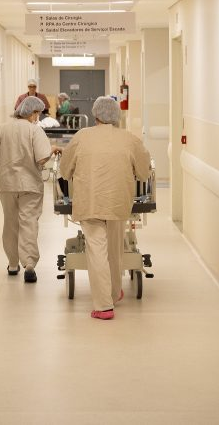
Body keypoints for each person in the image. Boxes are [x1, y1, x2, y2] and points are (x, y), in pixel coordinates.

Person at [59, 96, 151, 319]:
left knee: (97, 250)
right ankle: (113, 292)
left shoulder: (82, 137)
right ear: (116, 115)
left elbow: (64, 171)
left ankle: (103, 306)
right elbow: (144, 172)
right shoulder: (130, 139)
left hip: (90, 201)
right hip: (119, 202)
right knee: (115, 248)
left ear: (95, 115)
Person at [0, 96, 59, 283]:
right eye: (37, 113)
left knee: (11, 223)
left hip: (7, 185)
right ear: (32, 113)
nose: (37, 117)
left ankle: (13, 264)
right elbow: (41, 159)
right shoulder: (35, 131)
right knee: (28, 222)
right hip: (30, 186)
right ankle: (29, 264)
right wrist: (52, 148)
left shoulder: (2, 129)